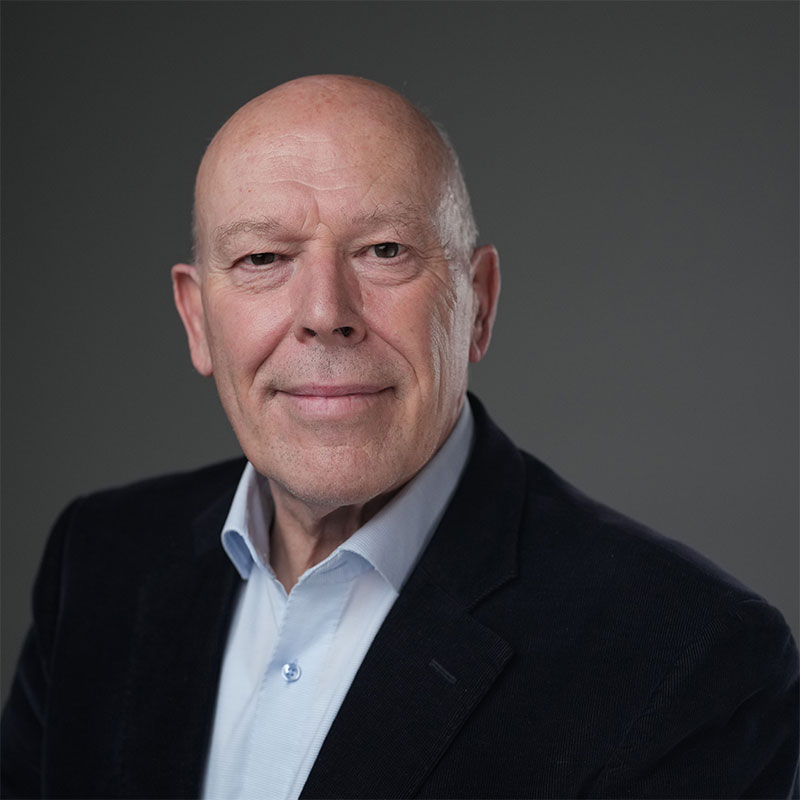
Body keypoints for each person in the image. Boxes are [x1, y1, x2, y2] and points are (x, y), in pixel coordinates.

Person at [1, 75, 797, 799]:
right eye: (263, 257)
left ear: (478, 304)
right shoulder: (99, 563)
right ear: (196, 320)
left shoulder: (689, 661)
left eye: (385, 251)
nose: (325, 312)